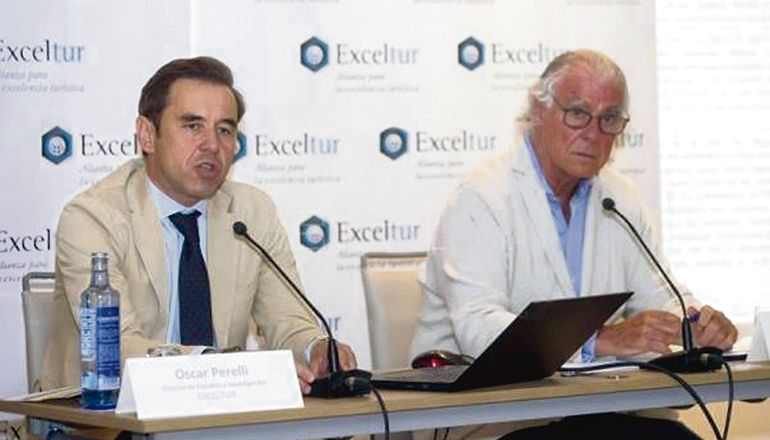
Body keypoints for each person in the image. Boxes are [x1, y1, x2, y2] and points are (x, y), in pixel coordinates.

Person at [411, 50, 737, 439]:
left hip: (593, 408)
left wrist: (696, 324)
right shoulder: (481, 198)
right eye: (578, 113)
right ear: (538, 109)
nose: (593, 134)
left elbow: (662, 296)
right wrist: (602, 340)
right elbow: (479, 330)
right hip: (496, 414)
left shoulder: (621, 197)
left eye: (609, 119)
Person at [39, 56, 356, 394]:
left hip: (219, 418)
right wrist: (220, 367)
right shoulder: (93, 217)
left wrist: (316, 347)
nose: (211, 145)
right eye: (193, 126)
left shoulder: (252, 212)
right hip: (103, 421)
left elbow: (288, 320)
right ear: (147, 135)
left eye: (224, 130)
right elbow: (115, 349)